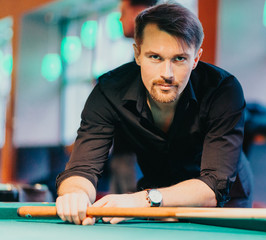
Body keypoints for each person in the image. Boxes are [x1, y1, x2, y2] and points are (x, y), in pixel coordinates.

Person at [55, 3, 253, 226]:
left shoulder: (223, 91)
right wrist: (76, 194)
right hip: (157, 195)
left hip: (221, 201)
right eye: (155, 57)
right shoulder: (109, 91)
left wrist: (143, 200)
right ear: (137, 54)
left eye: (179, 59)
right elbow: (82, 169)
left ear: (196, 59)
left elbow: (211, 187)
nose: (166, 74)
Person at [109, 0, 159, 196]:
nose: (120, 18)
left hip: (139, 154)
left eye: (123, 12)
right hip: (124, 152)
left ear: (139, 12)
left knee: (136, 213)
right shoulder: (139, 55)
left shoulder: (155, 55)